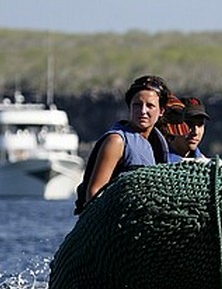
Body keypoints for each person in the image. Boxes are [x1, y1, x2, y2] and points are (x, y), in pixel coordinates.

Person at [73, 74, 171, 214]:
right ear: (130, 107)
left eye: (150, 106)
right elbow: (94, 193)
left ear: (161, 111)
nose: (143, 111)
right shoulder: (116, 141)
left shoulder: (156, 144)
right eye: (137, 105)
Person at [159, 95, 209, 162]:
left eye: (200, 124)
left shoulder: (206, 164)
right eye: (189, 124)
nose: (195, 132)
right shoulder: (156, 160)